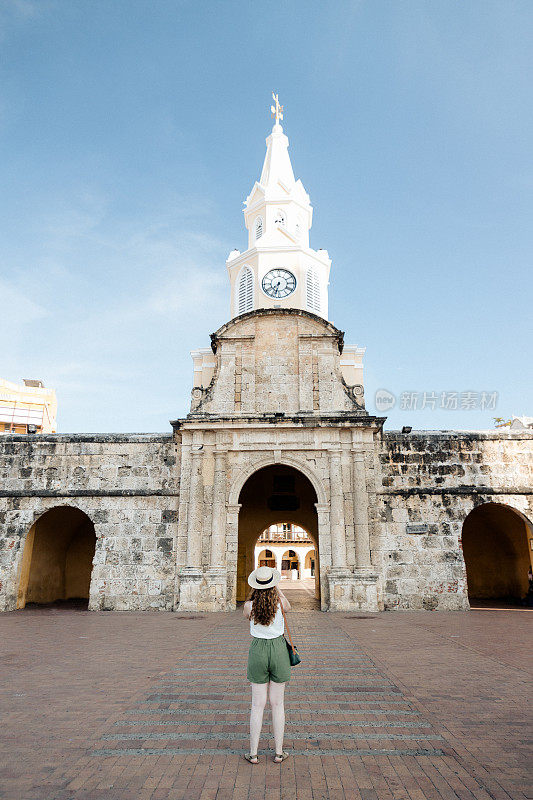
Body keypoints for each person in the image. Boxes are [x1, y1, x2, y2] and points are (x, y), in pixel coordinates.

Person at [243, 565, 291, 764]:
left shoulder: (248, 606)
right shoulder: (280, 603)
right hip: (279, 649)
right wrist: (277, 588)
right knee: (277, 704)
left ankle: (253, 753)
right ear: (272, 584)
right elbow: (288, 607)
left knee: (257, 704)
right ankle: (279, 753)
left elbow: (247, 617)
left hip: (258, 650)